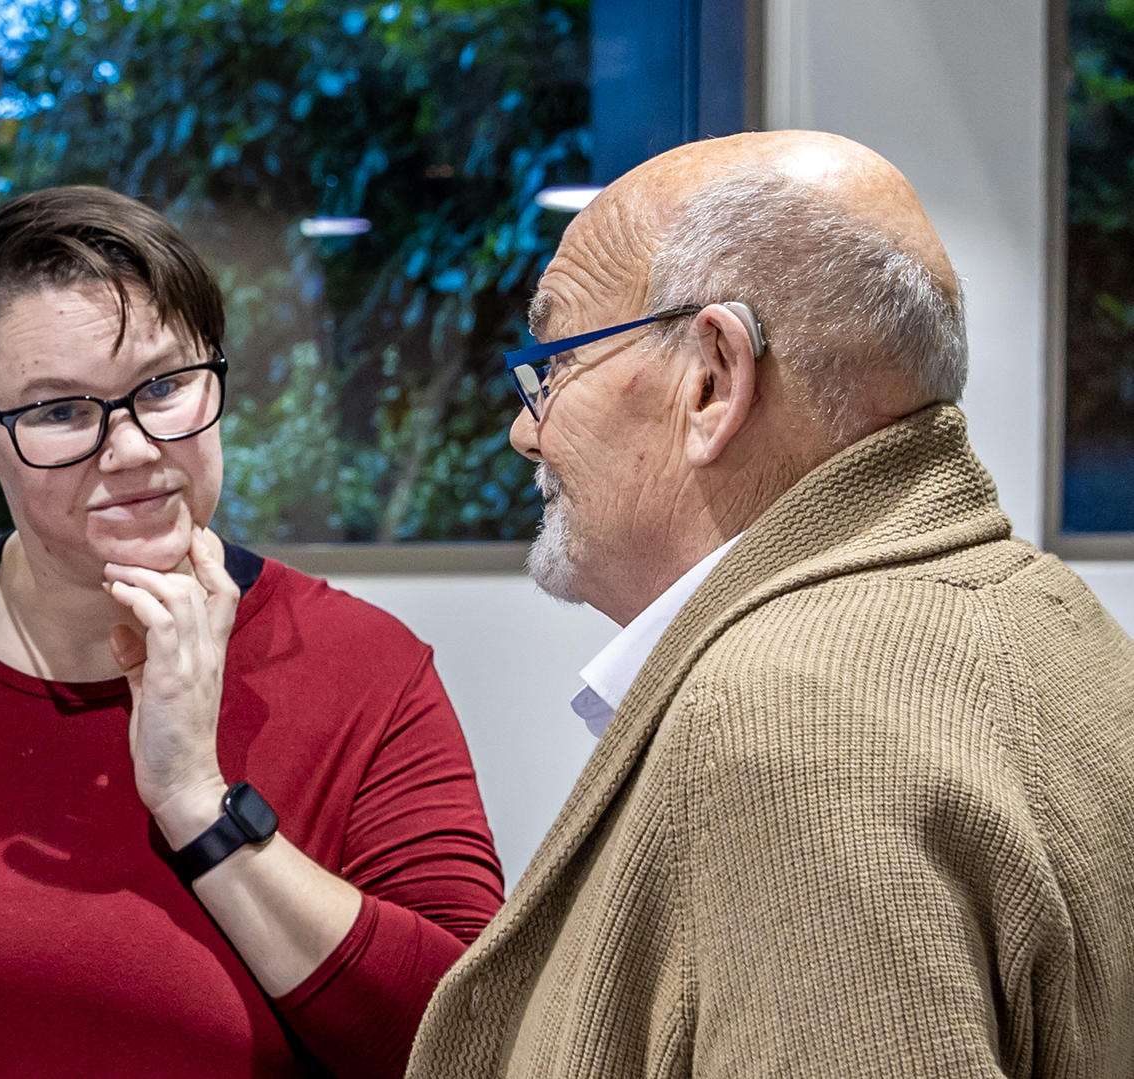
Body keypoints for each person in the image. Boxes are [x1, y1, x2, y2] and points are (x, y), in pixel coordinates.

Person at [0, 185, 505, 1079]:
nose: (129, 449)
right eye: (59, 411)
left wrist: (194, 799)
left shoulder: (363, 667)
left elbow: (467, 1036)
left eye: (164, 387)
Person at [405, 130, 1134, 1077]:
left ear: (712, 379)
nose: (523, 429)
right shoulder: (1040, 608)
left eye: (556, 363)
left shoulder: (789, 718)